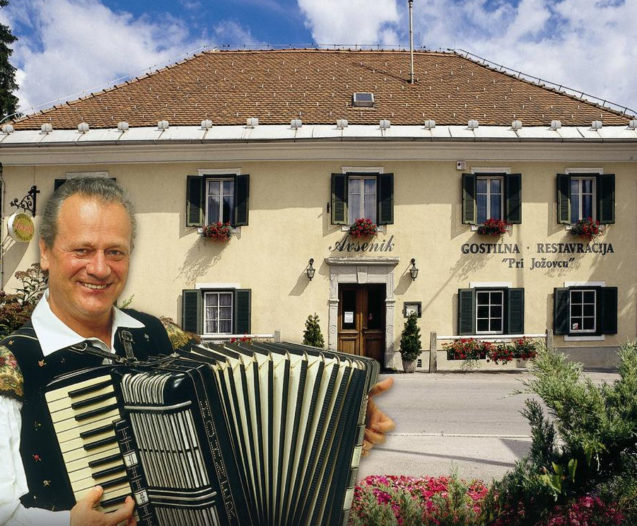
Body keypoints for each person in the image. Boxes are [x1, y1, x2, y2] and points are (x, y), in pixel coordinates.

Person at [0, 178, 394, 525]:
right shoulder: (11, 365)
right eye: (82, 250)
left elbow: (240, 426)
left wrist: (342, 418)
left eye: (115, 252)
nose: (100, 269)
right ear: (47, 253)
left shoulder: (164, 335)